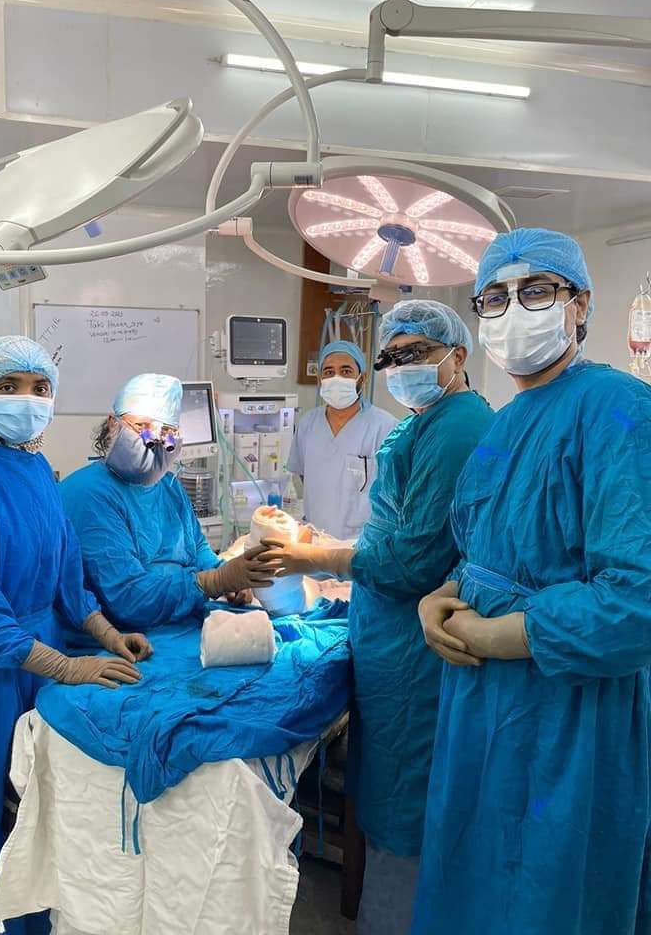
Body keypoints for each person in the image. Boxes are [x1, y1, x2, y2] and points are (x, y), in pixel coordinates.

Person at [413, 229, 651, 935]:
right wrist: (441, 595)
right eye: (494, 297)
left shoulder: (618, 410)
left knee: (544, 896)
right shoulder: (507, 421)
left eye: (537, 290)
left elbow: (637, 600)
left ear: (580, 305)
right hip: (480, 706)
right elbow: (490, 547)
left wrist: (499, 636)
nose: (513, 309)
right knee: (472, 883)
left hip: (565, 715)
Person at [259, 303, 494, 934]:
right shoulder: (423, 422)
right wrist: (325, 545)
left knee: (402, 802)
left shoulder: (457, 428)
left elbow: (412, 560)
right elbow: (395, 527)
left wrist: (316, 556)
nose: (400, 366)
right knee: (384, 787)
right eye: (392, 355)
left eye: (416, 353)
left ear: (457, 356)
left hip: (412, 647)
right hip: (383, 626)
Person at [0, 336, 151, 935]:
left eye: (40, 388)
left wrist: (105, 631)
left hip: (36, 666)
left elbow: (65, 571)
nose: (27, 399)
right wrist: (69, 667)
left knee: (32, 821)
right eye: (10, 387)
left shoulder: (35, 469)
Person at [60, 373, 277, 647]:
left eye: (166, 432)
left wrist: (230, 577)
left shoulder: (169, 487)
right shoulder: (89, 494)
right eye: (142, 426)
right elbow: (128, 600)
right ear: (113, 424)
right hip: (123, 640)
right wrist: (213, 581)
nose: (153, 440)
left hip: (179, 625)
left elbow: (197, 549)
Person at [286, 340, 396, 540]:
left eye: (346, 371)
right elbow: (304, 474)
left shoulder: (385, 427)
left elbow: (395, 491)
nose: (336, 378)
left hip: (361, 542)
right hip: (315, 538)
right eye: (329, 372)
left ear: (362, 378)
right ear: (320, 379)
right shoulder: (308, 424)